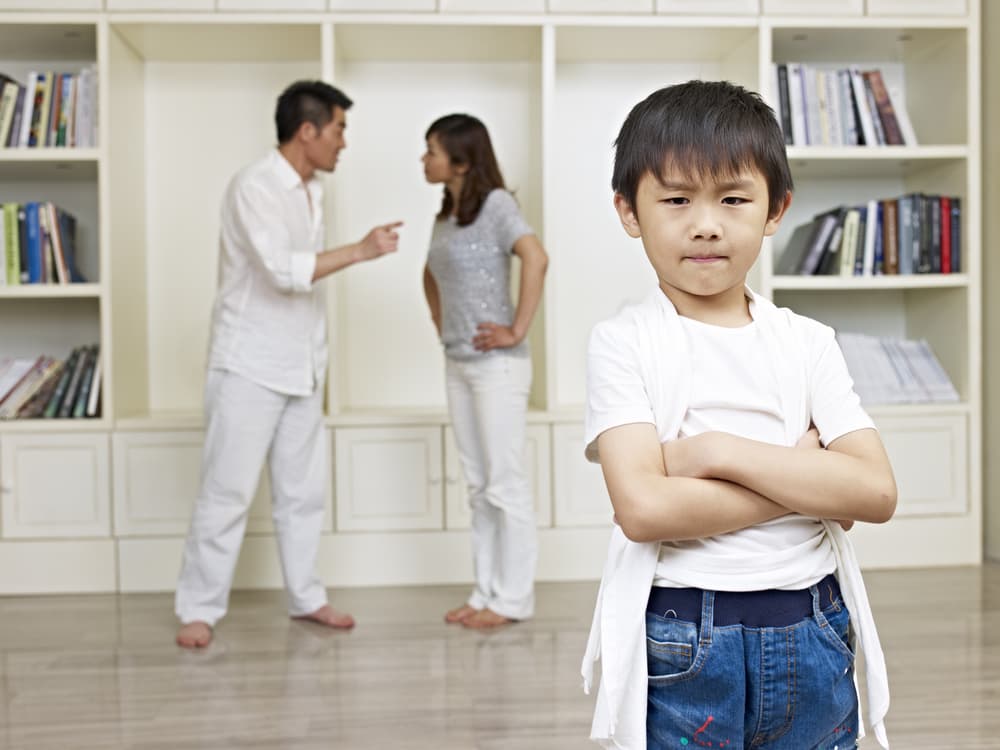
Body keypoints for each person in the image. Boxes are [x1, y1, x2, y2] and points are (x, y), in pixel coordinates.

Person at [580, 81, 897, 749]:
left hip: (814, 627)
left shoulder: (807, 341)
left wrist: (716, 452)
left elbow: (872, 492)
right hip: (684, 638)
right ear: (628, 211)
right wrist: (805, 481)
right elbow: (642, 508)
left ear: (775, 209)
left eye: (732, 198)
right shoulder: (624, 342)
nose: (706, 223)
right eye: (675, 199)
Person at [175, 80, 402, 649]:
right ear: (308, 131)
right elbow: (281, 270)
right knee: (226, 492)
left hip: (302, 367)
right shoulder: (254, 186)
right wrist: (361, 250)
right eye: (339, 129)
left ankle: (306, 598)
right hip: (248, 364)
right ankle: (198, 609)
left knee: (302, 494)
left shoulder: (311, 191)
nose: (344, 143)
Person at [420, 114, 549, 630]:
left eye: (431, 151)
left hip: (498, 367)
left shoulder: (497, 206)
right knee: (477, 486)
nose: (424, 160)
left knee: (504, 483)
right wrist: (441, 322)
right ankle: (484, 592)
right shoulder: (446, 214)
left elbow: (536, 259)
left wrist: (516, 329)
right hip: (458, 362)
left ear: (462, 159)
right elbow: (429, 274)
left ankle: (513, 600)